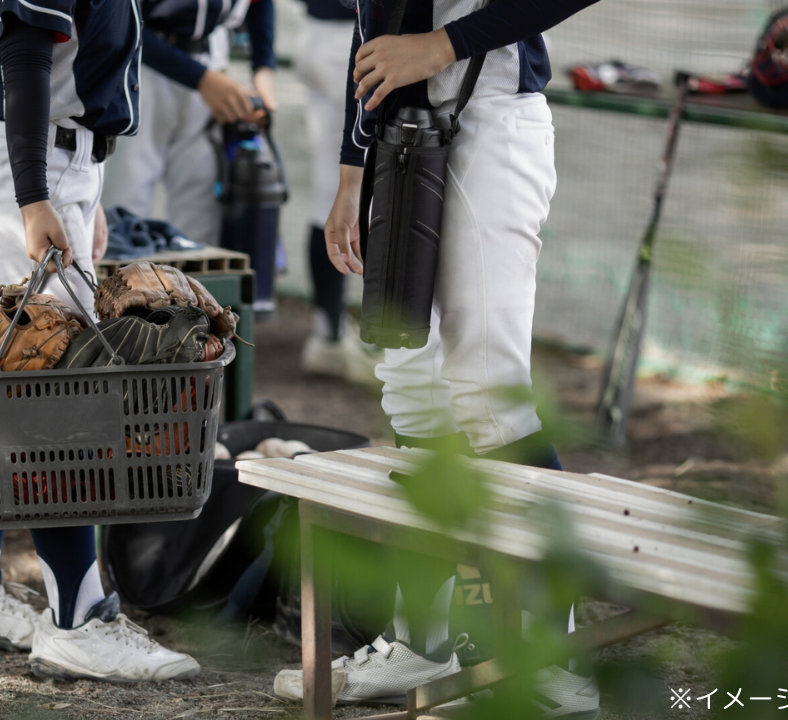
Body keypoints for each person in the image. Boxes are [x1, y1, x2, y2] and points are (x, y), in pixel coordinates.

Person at [271, 0, 602, 714]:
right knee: (411, 387)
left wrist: (444, 44)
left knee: (489, 393)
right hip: (400, 135)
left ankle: (552, 661)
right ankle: (422, 641)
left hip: (493, 121)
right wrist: (352, 171)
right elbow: (372, 27)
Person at [0, 0, 201, 682]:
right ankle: (79, 618)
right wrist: (35, 198)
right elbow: (23, 57)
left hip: (47, 159)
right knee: (57, 395)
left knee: (14, 384)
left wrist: (82, 193)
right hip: (17, 165)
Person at [98, 0, 277, 248]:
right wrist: (200, 79)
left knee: (199, 220)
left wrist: (263, 69)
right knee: (124, 211)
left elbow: (260, 4)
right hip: (141, 66)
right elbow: (120, 19)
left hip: (214, 64)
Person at [293, 0, 379, 383]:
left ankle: (329, 334)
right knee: (373, 196)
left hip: (315, 32)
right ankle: (342, 338)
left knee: (331, 196)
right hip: (352, 37)